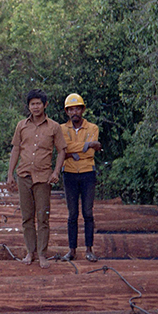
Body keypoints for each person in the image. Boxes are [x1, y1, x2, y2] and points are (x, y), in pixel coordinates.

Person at [6, 89, 67, 269]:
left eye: (39, 103)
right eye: (32, 104)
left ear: (45, 105)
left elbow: (62, 150)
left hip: (43, 178)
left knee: (43, 217)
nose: (36, 107)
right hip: (24, 175)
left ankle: (42, 254)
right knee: (27, 217)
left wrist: (56, 172)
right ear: (29, 106)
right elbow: (16, 149)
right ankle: (29, 252)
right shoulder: (21, 126)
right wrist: (10, 174)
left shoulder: (54, 127)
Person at [59, 93, 101, 262]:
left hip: (87, 173)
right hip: (69, 173)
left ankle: (89, 249)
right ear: (67, 112)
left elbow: (89, 152)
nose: (74, 112)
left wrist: (72, 152)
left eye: (77, 108)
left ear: (82, 109)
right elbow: (63, 148)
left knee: (88, 212)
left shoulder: (93, 128)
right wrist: (86, 145)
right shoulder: (62, 129)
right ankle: (72, 250)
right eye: (71, 109)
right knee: (72, 214)